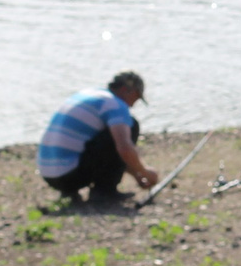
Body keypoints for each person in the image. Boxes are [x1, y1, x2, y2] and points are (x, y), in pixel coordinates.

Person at [39, 71, 161, 203]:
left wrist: (137, 175)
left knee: (114, 132)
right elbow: (124, 149)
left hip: (50, 176)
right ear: (126, 90)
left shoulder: (91, 94)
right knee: (131, 125)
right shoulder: (116, 105)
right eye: (136, 97)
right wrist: (145, 172)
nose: (132, 105)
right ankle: (104, 191)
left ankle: (76, 191)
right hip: (69, 176)